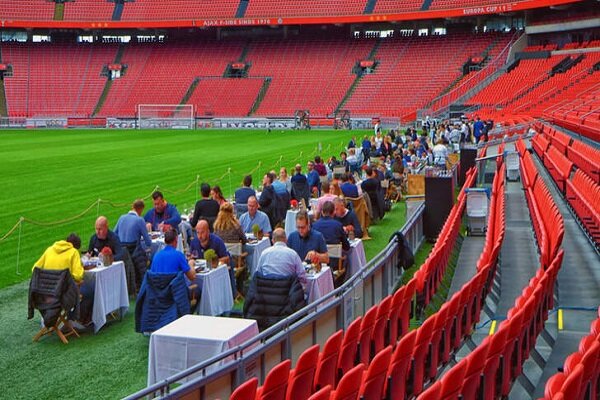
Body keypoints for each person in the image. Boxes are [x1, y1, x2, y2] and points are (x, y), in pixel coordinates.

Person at [32, 233, 90, 328]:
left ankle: (46, 316)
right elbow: (78, 276)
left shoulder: (50, 249)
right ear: (76, 246)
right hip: (61, 295)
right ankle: (71, 319)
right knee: (79, 290)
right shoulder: (73, 252)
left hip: (44, 293)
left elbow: (35, 269)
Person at [189, 220, 234, 297]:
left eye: (202, 232)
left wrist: (214, 261)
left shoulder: (217, 241)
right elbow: (191, 257)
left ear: (208, 231)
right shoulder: (194, 242)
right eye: (197, 232)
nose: (199, 236)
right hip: (201, 273)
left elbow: (226, 258)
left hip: (215, 273)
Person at [115, 199, 152, 292]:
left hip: (122, 252)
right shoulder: (140, 220)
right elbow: (148, 242)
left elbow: (114, 234)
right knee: (147, 258)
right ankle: (145, 286)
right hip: (135, 252)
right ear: (140, 209)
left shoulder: (121, 218)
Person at [255, 228, 307, 292]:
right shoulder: (293, 255)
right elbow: (302, 276)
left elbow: (257, 274)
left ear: (272, 241)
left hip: (266, 295)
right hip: (287, 295)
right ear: (286, 240)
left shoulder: (264, 254)